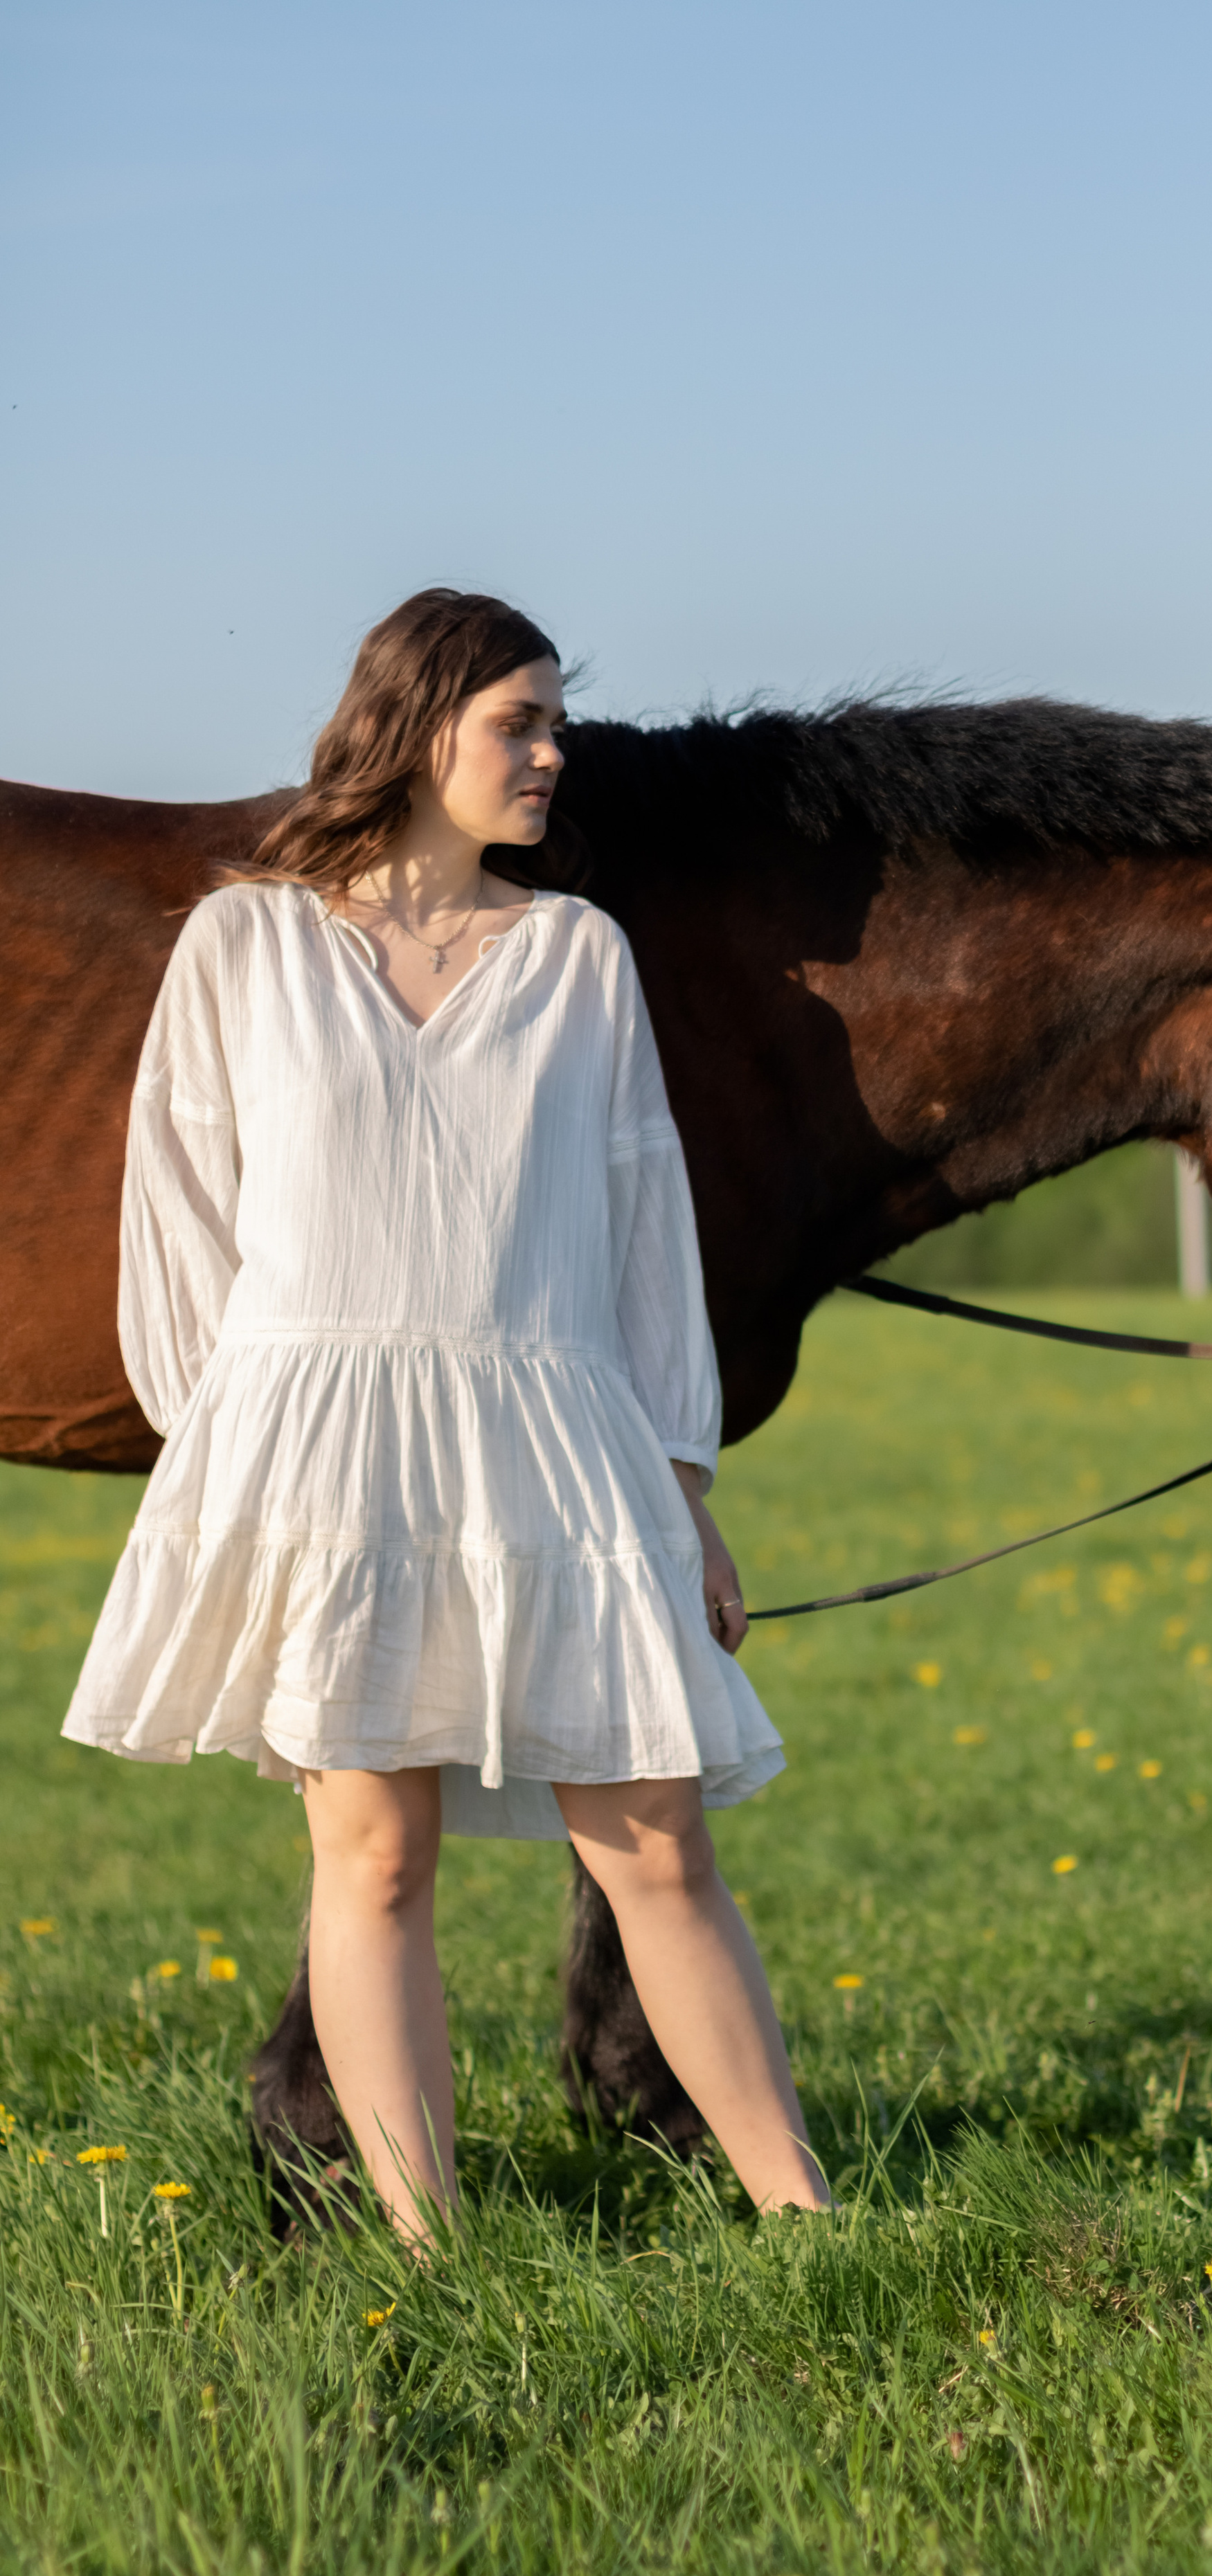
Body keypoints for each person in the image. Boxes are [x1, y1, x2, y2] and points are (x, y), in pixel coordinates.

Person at [64, 588, 827, 2241]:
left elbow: (642, 1238)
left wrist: (682, 1485)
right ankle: (429, 2248)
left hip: (553, 1439)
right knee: (375, 1859)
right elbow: (180, 1221)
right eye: (519, 723)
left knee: (655, 1846)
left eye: (553, 722)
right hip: (321, 1447)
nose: (553, 755)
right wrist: (243, 1464)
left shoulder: (574, 958)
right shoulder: (244, 943)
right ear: (415, 729)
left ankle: (806, 2221)